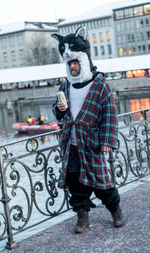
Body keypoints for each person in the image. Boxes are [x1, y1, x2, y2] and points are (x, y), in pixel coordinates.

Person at [52, 26, 124, 234]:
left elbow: (109, 114)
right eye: (70, 64)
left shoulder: (100, 84)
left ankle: (115, 210)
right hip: (71, 144)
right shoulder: (65, 87)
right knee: (75, 185)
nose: (73, 67)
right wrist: (59, 109)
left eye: (75, 63)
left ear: (82, 61)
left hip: (92, 143)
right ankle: (82, 218)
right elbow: (57, 112)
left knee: (103, 183)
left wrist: (107, 141)